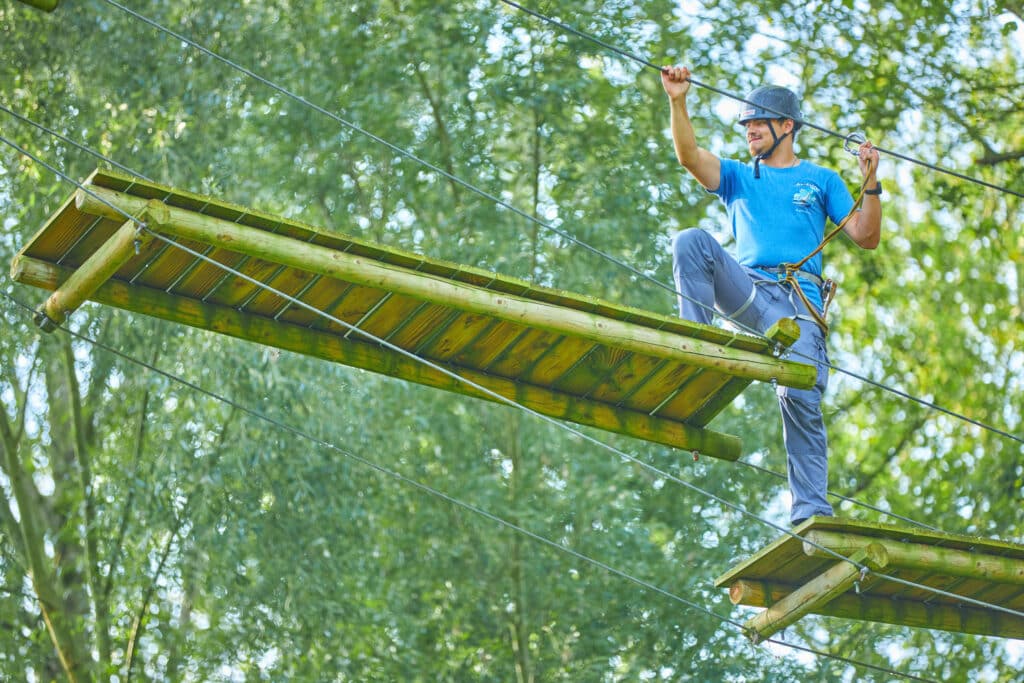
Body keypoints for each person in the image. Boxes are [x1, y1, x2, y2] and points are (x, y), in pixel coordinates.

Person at [660, 66, 882, 525]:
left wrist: (871, 183)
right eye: (746, 125)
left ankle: (811, 513)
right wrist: (677, 101)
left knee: (799, 395)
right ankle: (696, 359)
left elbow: (866, 236)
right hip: (752, 293)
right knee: (690, 242)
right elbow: (688, 156)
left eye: (759, 122)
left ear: (787, 126)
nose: (750, 131)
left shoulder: (820, 180)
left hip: (799, 306)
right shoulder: (739, 177)